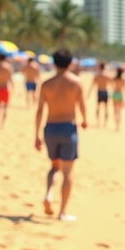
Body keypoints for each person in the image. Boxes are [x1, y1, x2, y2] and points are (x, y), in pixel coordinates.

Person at [34, 49, 87, 221]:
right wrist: (85, 120)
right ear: (70, 63)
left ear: (54, 63)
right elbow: (82, 106)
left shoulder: (46, 84)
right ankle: (62, 212)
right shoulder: (76, 82)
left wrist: (36, 135)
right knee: (68, 172)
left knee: (54, 167)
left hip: (50, 128)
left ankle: (49, 194)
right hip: (68, 128)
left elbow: (40, 110)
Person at [89, 62, 110, 127]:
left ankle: (98, 122)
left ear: (99, 67)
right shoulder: (107, 75)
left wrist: (89, 93)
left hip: (99, 91)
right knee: (106, 108)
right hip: (105, 91)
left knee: (98, 107)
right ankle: (105, 123)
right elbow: (112, 82)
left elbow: (92, 85)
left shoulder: (97, 75)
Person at [111, 67, 125, 132]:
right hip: (120, 94)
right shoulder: (123, 79)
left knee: (115, 110)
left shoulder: (114, 78)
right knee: (119, 110)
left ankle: (116, 124)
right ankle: (118, 125)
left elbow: (112, 85)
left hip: (115, 93)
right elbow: (124, 88)